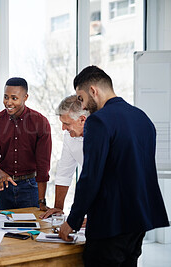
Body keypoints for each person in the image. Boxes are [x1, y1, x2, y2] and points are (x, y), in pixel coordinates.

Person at [59, 66, 169, 266]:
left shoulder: (98, 121)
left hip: (110, 223)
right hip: (138, 222)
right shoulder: (142, 118)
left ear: (93, 91)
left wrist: (72, 221)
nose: (83, 106)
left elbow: (90, 177)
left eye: (81, 98)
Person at [0, 77, 52, 210]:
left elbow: (43, 166)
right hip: (4, 186)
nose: (8, 102)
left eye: (14, 98)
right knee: (3, 228)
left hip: (30, 187)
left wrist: (42, 201)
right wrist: (0, 174)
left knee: (31, 228)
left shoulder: (40, 122)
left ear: (25, 97)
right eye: (5, 97)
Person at [40, 95, 88, 219]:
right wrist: (58, 209)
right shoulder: (69, 136)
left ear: (82, 120)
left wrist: (97, 218)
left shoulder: (102, 134)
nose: (63, 129)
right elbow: (64, 173)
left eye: (66, 124)